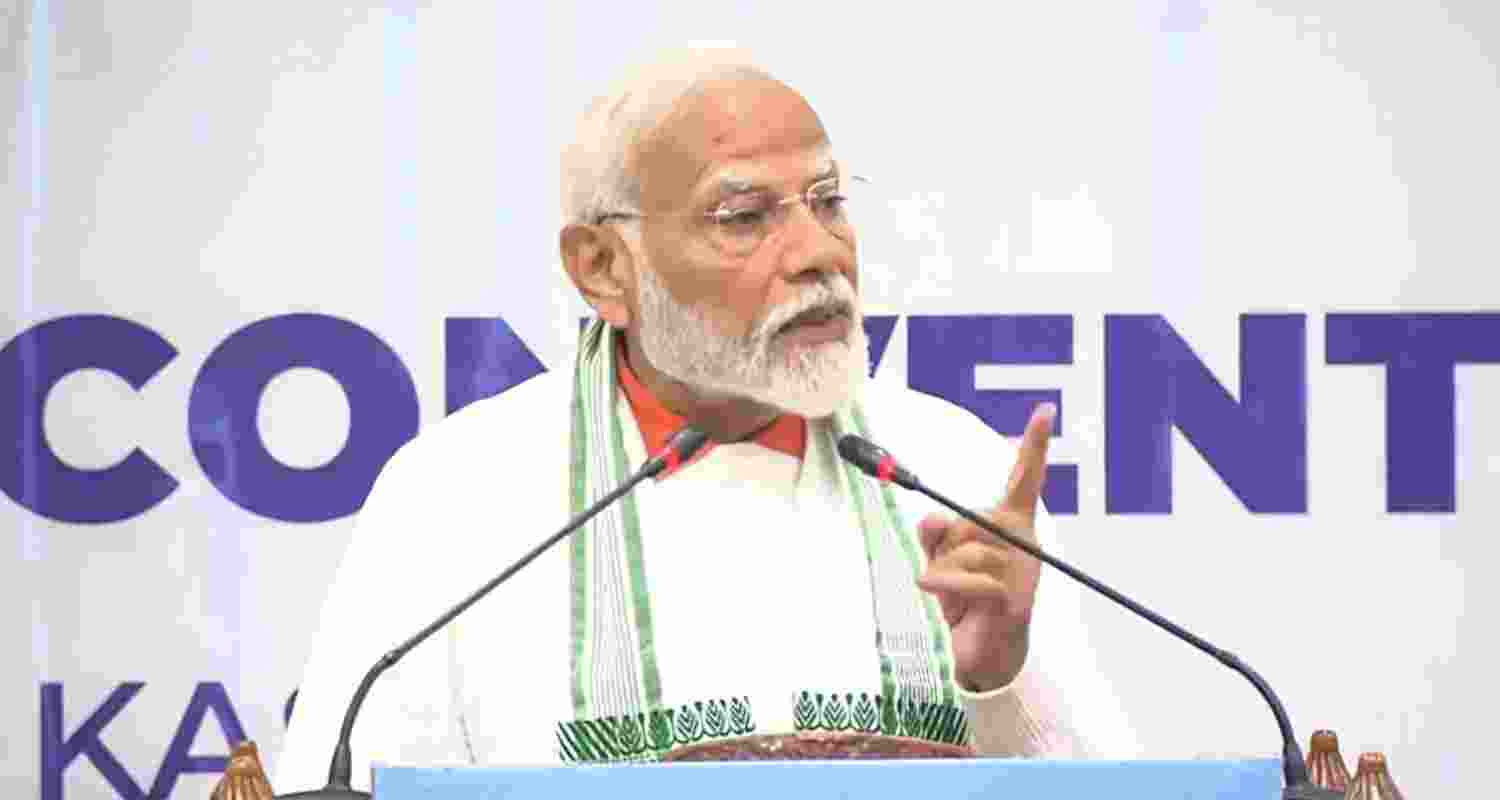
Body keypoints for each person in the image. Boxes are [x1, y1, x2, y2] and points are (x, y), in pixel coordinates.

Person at [274, 45, 1138, 793]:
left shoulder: (954, 467)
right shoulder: (457, 494)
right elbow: (352, 783)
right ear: (604, 267)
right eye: (746, 217)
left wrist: (999, 680)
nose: (818, 254)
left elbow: (1114, 791)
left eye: (829, 201)